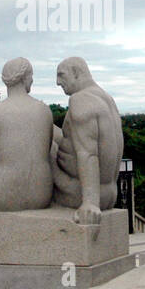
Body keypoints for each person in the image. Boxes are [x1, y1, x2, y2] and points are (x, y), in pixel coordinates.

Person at [50, 57, 123, 223]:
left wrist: (90, 203)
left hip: (77, 193)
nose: (57, 82)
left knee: (40, 140)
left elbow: (88, 153)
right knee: (47, 129)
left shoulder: (80, 100)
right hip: (110, 193)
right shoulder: (106, 98)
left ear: (76, 73)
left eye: (61, 75)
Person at [0, 58, 55, 211]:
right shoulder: (44, 110)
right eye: (31, 76)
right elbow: (47, 148)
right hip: (41, 196)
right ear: (24, 78)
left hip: (0, 197)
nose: (32, 80)